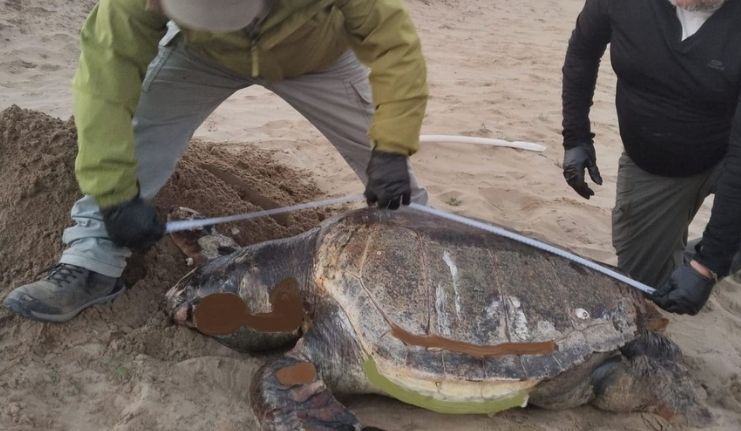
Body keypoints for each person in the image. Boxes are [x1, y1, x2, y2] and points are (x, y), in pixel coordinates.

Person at [3, 0, 429, 324]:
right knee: (134, 134)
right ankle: (91, 260)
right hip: (203, 54)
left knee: (393, 177)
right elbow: (105, 79)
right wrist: (115, 195)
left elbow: (395, 48)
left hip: (318, 57)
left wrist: (392, 147)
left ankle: (425, 261)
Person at [560, 0, 741, 428]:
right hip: (657, 159)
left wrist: (706, 264)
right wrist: (576, 136)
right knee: (640, 300)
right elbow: (583, 49)